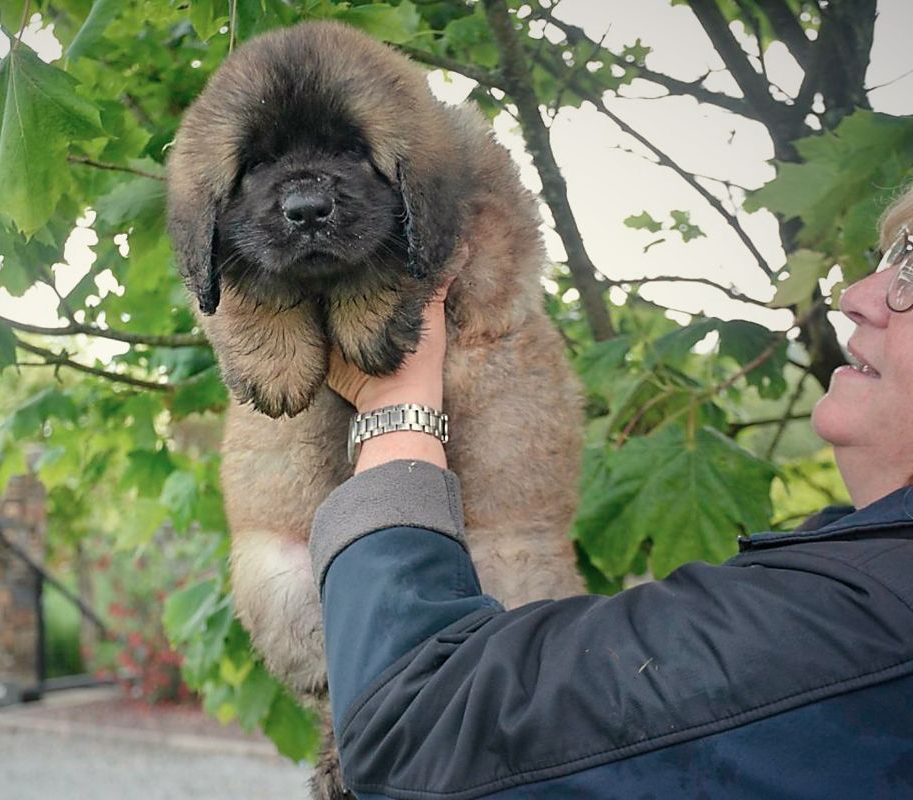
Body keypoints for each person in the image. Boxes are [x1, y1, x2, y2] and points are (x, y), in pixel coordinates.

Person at [312, 188, 913, 799]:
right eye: (888, 256)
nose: (857, 296)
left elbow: (417, 737)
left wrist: (394, 411)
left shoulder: (869, 623)